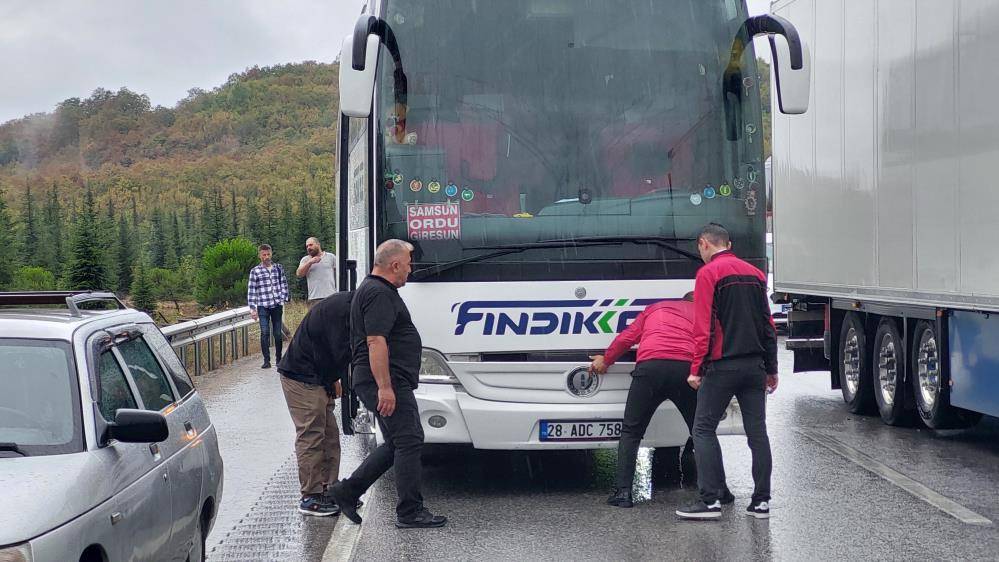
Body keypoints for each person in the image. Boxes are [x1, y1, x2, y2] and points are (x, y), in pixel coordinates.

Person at [328, 239, 447, 529]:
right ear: (394, 265)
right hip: (384, 380)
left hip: (385, 379)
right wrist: (385, 387)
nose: (410, 269)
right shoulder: (379, 293)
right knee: (409, 439)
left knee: (399, 441)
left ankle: (348, 490)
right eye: (408, 264)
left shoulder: (376, 290)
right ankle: (409, 511)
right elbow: (375, 340)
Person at [591, 292, 734, 509]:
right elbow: (716, 348)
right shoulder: (706, 315)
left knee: (631, 431)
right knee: (702, 432)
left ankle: (623, 493)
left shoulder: (655, 308)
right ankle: (720, 490)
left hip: (650, 369)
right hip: (685, 372)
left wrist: (606, 360)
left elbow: (627, 337)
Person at [676, 223, 778, 521]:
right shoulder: (756, 275)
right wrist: (771, 369)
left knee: (703, 429)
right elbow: (768, 326)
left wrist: (696, 368)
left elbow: (703, 326)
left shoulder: (708, 274)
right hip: (755, 367)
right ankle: (761, 502)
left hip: (722, 367)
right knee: (757, 432)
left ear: (704, 244)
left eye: (700, 249)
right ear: (729, 244)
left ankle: (710, 501)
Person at [276, 291, 353, 516]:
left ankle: (330, 490)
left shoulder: (348, 307)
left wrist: (334, 379)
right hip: (301, 376)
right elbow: (336, 349)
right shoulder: (341, 311)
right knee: (311, 434)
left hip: (320, 376)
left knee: (330, 434)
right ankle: (310, 496)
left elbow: (332, 353)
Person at [247, 244, 290, 369]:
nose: (266, 257)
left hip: (276, 304)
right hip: (263, 305)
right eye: (264, 255)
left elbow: (284, 284)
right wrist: (252, 308)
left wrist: (283, 297)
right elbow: (251, 290)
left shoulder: (278, 268)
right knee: (264, 332)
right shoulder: (255, 271)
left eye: (268, 254)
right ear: (260, 256)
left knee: (277, 333)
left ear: (271, 254)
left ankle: (278, 358)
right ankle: (266, 360)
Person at [296, 237, 337, 308]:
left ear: (318, 244)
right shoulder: (305, 259)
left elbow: (339, 273)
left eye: (311, 245)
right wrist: (310, 262)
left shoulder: (331, 257)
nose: (309, 247)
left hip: (331, 296)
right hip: (314, 298)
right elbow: (299, 274)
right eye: (307, 246)